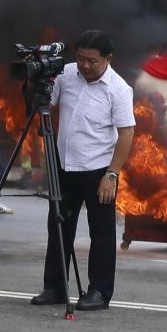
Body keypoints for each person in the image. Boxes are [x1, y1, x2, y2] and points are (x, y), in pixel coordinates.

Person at [31, 30, 135, 312]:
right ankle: (54, 286)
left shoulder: (119, 88)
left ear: (108, 59)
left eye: (92, 61)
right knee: (59, 226)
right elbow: (45, 103)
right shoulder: (66, 75)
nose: (85, 66)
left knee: (100, 232)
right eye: (80, 59)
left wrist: (111, 175)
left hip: (99, 170)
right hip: (64, 166)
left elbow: (126, 134)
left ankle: (99, 292)